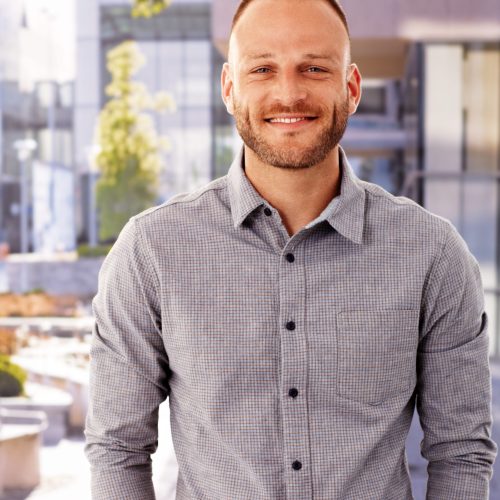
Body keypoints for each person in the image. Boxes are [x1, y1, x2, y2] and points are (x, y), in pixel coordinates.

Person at [84, 0, 497, 498]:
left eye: (314, 68)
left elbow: (460, 453)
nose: (288, 93)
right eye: (262, 69)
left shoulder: (432, 253)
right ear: (229, 88)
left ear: (352, 87)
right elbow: (117, 450)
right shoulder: (150, 250)